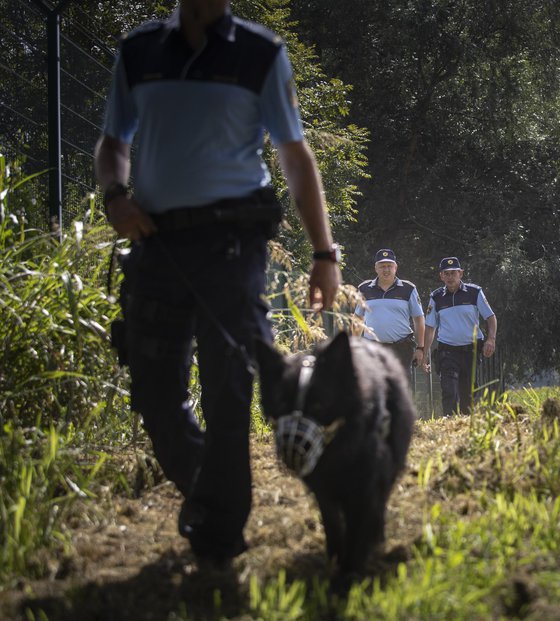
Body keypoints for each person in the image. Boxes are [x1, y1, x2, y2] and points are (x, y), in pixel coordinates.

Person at [93, 0, 341, 566]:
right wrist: (115, 196)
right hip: (156, 246)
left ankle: (220, 537)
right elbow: (113, 143)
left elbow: (295, 155)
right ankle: (212, 494)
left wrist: (324, 253)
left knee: (228, 390)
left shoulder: (261, 54)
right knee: (155, 395)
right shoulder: (138, 52)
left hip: (233, 248)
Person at [422, 257, 497, 415]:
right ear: (441, 276)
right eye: (446, 274)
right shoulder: (436, 298)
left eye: (453, 273)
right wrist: (424, 354)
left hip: (471, 351)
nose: (450, 277)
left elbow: (491, 317)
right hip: (447, 352)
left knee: (467, 394)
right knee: (449, 389)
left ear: (461, 273)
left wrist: (491, 339)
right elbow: (430, 328)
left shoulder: (474, 292)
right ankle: (448, 422)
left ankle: (465, 425)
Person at [354, 248, 426, 369]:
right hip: (372, 349)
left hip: (401, 348)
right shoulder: (364, 289)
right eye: (382, 266)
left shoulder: (408, 288)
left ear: (395, 268)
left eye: (389, 266)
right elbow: (357, 318)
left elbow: (419, 319)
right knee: (374, 386)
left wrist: (420, 348)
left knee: (400, 387)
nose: (386, 270)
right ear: (376, 268)